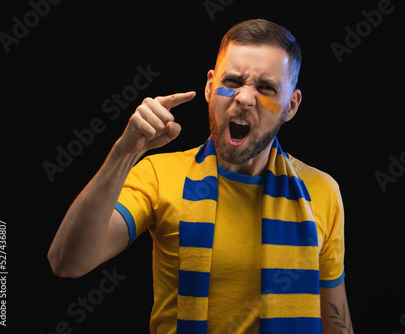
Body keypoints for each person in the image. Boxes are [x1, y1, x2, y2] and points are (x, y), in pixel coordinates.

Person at [48, 19, 353, 334]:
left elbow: (336, 320)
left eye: (265, 88)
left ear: (290, 105)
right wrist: (125, 152)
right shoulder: (158, 175)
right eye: (233, 81)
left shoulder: (323, 191)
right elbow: (66, 262)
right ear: (210, 87)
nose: (245, 98)